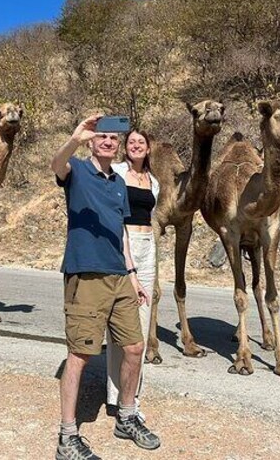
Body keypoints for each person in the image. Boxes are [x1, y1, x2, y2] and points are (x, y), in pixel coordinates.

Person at [50, 114, 161, 460]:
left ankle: (126, 416)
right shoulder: (78, 171)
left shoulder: (118, 183)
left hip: (119, 275)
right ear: (93, 142)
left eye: (114, 138)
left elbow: (120, 232)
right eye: (102, 137)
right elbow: (57, 164)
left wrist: (133, 275)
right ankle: (67, 437)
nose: (109, 142)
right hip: (86, 274)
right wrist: (76, 137)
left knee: (133, 347)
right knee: (81, 355)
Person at [106, 130, 160, 419]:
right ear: (125, 148)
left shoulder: (154, 183)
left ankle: (133, 394)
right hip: (122, 245)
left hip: (147, 247)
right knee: (119, 324)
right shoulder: (115, 173)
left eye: (141, 142)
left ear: (149, 148)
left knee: (142, 319)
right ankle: (115, 395)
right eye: (131, 142)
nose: (136, 145)